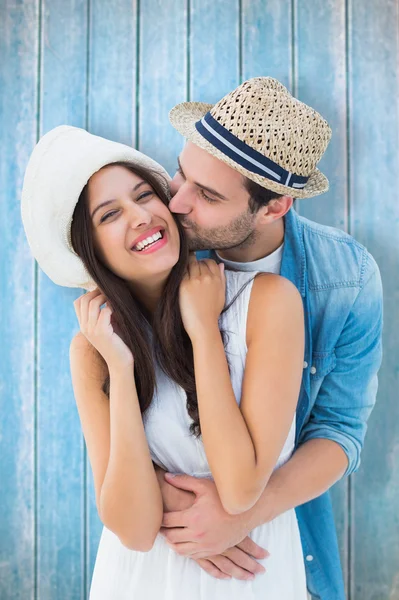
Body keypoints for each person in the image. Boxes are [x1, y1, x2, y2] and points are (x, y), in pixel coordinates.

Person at [21, 125, 309, 599]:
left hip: (252, 574)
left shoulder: (269, 302)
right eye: (110, 214)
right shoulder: (94, 350)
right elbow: (133, 530)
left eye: (144, 195)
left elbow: (240, 490)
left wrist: (203, 331)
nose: (140, 216)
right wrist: (119, 364)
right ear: (90, 248)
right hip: (144, 578)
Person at [152, 77, 383, 599]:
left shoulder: (347, 278)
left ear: (275, 207)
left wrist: (241, 515)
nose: (179, 203)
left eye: (208, 195)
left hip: (275, 546)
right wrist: (177, 510)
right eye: (181, 175)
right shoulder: (158, 246)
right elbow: (118, 405)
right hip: (161, 540)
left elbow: (340, 431)